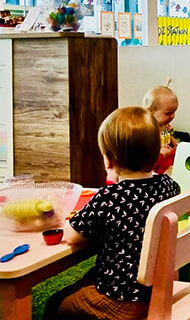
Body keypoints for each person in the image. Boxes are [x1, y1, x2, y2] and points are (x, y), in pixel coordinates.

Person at [43, 107, 180, 320]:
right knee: (86, 281)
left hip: (121, 302)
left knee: (55, 304)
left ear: (108, 160)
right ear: (156, 153)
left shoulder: (110, 197)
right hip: (160, 291)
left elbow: (71, 236)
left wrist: (70, 218)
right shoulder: (169, 186)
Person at [143, 82, 178, 174]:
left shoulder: (165, 125)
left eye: (174, 112)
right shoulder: (147, 129)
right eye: (168, 113)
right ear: (150, 111)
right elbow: (145, 147)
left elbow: (168, 135)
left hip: (167, 161)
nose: (172, 116)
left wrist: (175, 144)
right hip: (154, 165)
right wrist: (158, 150)